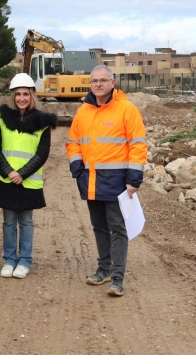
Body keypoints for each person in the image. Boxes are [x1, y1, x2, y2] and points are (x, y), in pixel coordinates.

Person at [66, 65, 147, 296]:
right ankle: (103, 269)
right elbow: (72, 142)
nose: (98, 84)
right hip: (91, 181)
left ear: (113, 83)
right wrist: (77, 169)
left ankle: (117, 278)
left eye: (103, 80)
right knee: (99, 227)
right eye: (94, 81)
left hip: (116, 182)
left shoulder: (127, 110)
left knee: (118, 229)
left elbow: (138, 144)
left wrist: (133, 179)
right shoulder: (83, 111)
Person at [0, 73, 57, 279]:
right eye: (18, 94)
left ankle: (25, 260)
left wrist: (22, 173)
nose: (22, 98)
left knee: (26, 222)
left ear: (32, 96)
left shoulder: (42, 122)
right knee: (9, 222)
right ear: (13, 96)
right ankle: (10, 259)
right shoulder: (2, 119)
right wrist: (9, 172)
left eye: (25, 94)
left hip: (28, 181)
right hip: (7, 179)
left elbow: (42, 153)